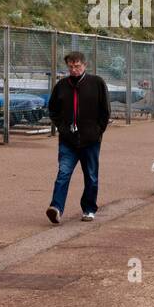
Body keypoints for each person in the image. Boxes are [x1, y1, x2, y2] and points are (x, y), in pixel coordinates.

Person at [46, 51, 110, 224]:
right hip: (68, 141)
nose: (74, 70)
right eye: (71, 67)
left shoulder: (96, 83)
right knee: (63, 173)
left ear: (84, 65)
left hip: (91, 140)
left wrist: (98, 131)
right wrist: (62, 127)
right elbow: (52, 109)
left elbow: (105, 110)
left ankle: (89, 209)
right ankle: (56, 208)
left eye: (77, 66)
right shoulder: (61, 86)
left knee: (91, 175)